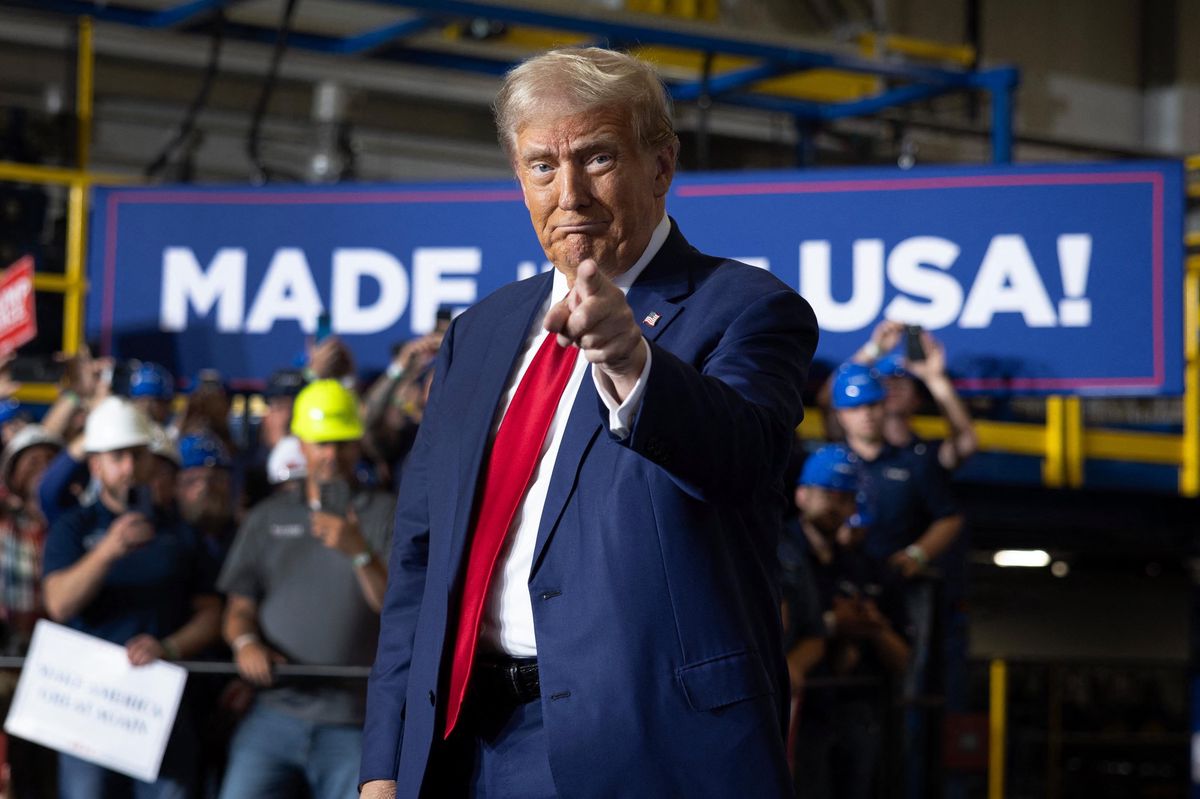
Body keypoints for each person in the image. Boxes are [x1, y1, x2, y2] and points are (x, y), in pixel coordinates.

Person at [360, 47, 818, 799]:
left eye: (597, 157)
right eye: (542, 166)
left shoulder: (747, 308)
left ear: (661, 165)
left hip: (648, 746)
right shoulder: (476, 333)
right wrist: (384, 762)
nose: (568, 192)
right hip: (466, 751)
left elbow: (744, 454)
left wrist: (632, 359)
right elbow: (420, 558)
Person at [216, 380, 394, 799]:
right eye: (321, 443)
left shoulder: (387, 513)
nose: (331, 455)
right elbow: (238, 607)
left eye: (341, 443)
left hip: (355, 720)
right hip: (275, 713)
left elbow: (397, 610)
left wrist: (359, 552)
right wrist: (245, 643)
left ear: (357, 443)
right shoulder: (267, 516)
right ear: (301, 444)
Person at [42, 397, 222, 798]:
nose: (128, 468)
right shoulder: (73, 527)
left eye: (137, 456)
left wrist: (169, 646)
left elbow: (212, 614)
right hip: (85, 707)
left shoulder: (181, 534)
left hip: (157, 710)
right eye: (117, 457)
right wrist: (107, 551)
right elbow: (59, 604)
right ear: (96, 466)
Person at [786, 444, 911, 799]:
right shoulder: (778, 553)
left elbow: (902, 659)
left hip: (847, 710)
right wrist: (833, 623)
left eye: (844, 497)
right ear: (802, 495)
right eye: (827, 493)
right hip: (793, 710)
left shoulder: (858, 567)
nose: (835, 506)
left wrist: (868, 628)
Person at [847, 321, 977, 471]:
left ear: (917, 399)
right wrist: (873, 350)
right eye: (884, 382)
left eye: (901, 382)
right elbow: (834, 396)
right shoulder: (855, 449)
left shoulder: (925, 454)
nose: (893, 387)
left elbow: (966, 441)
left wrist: (934, 379)